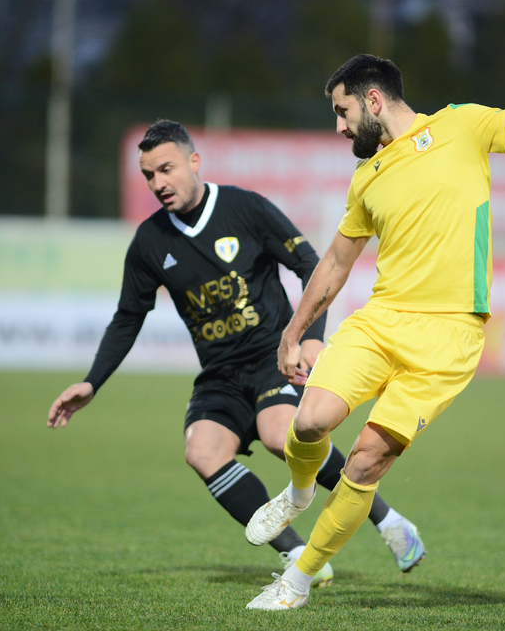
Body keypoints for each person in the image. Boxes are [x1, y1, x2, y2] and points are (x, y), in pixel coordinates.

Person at [244, 0, 505, 610]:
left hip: (450, 335)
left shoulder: (463, 125)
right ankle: (297, 489)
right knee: (309, 420)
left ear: (373, 99)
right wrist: (293, 331)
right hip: (382, 320)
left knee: (367, 461)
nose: (339, 127)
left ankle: (298, 579)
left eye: (342, 112)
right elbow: (338, 262)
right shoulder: (366, 177)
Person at [47, 119, 425, 587]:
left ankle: (389, 522)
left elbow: (312, 266)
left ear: (194, 162)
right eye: (148, 175)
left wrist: (308, 335)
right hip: (220, 374)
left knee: (278, 435)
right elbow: (128, 316)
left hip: (272, 356)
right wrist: (92, 381)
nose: (158, 183)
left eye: (166, 169)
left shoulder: (244, 209)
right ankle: (299, 553)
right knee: (201, 450)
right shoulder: (149, 242)